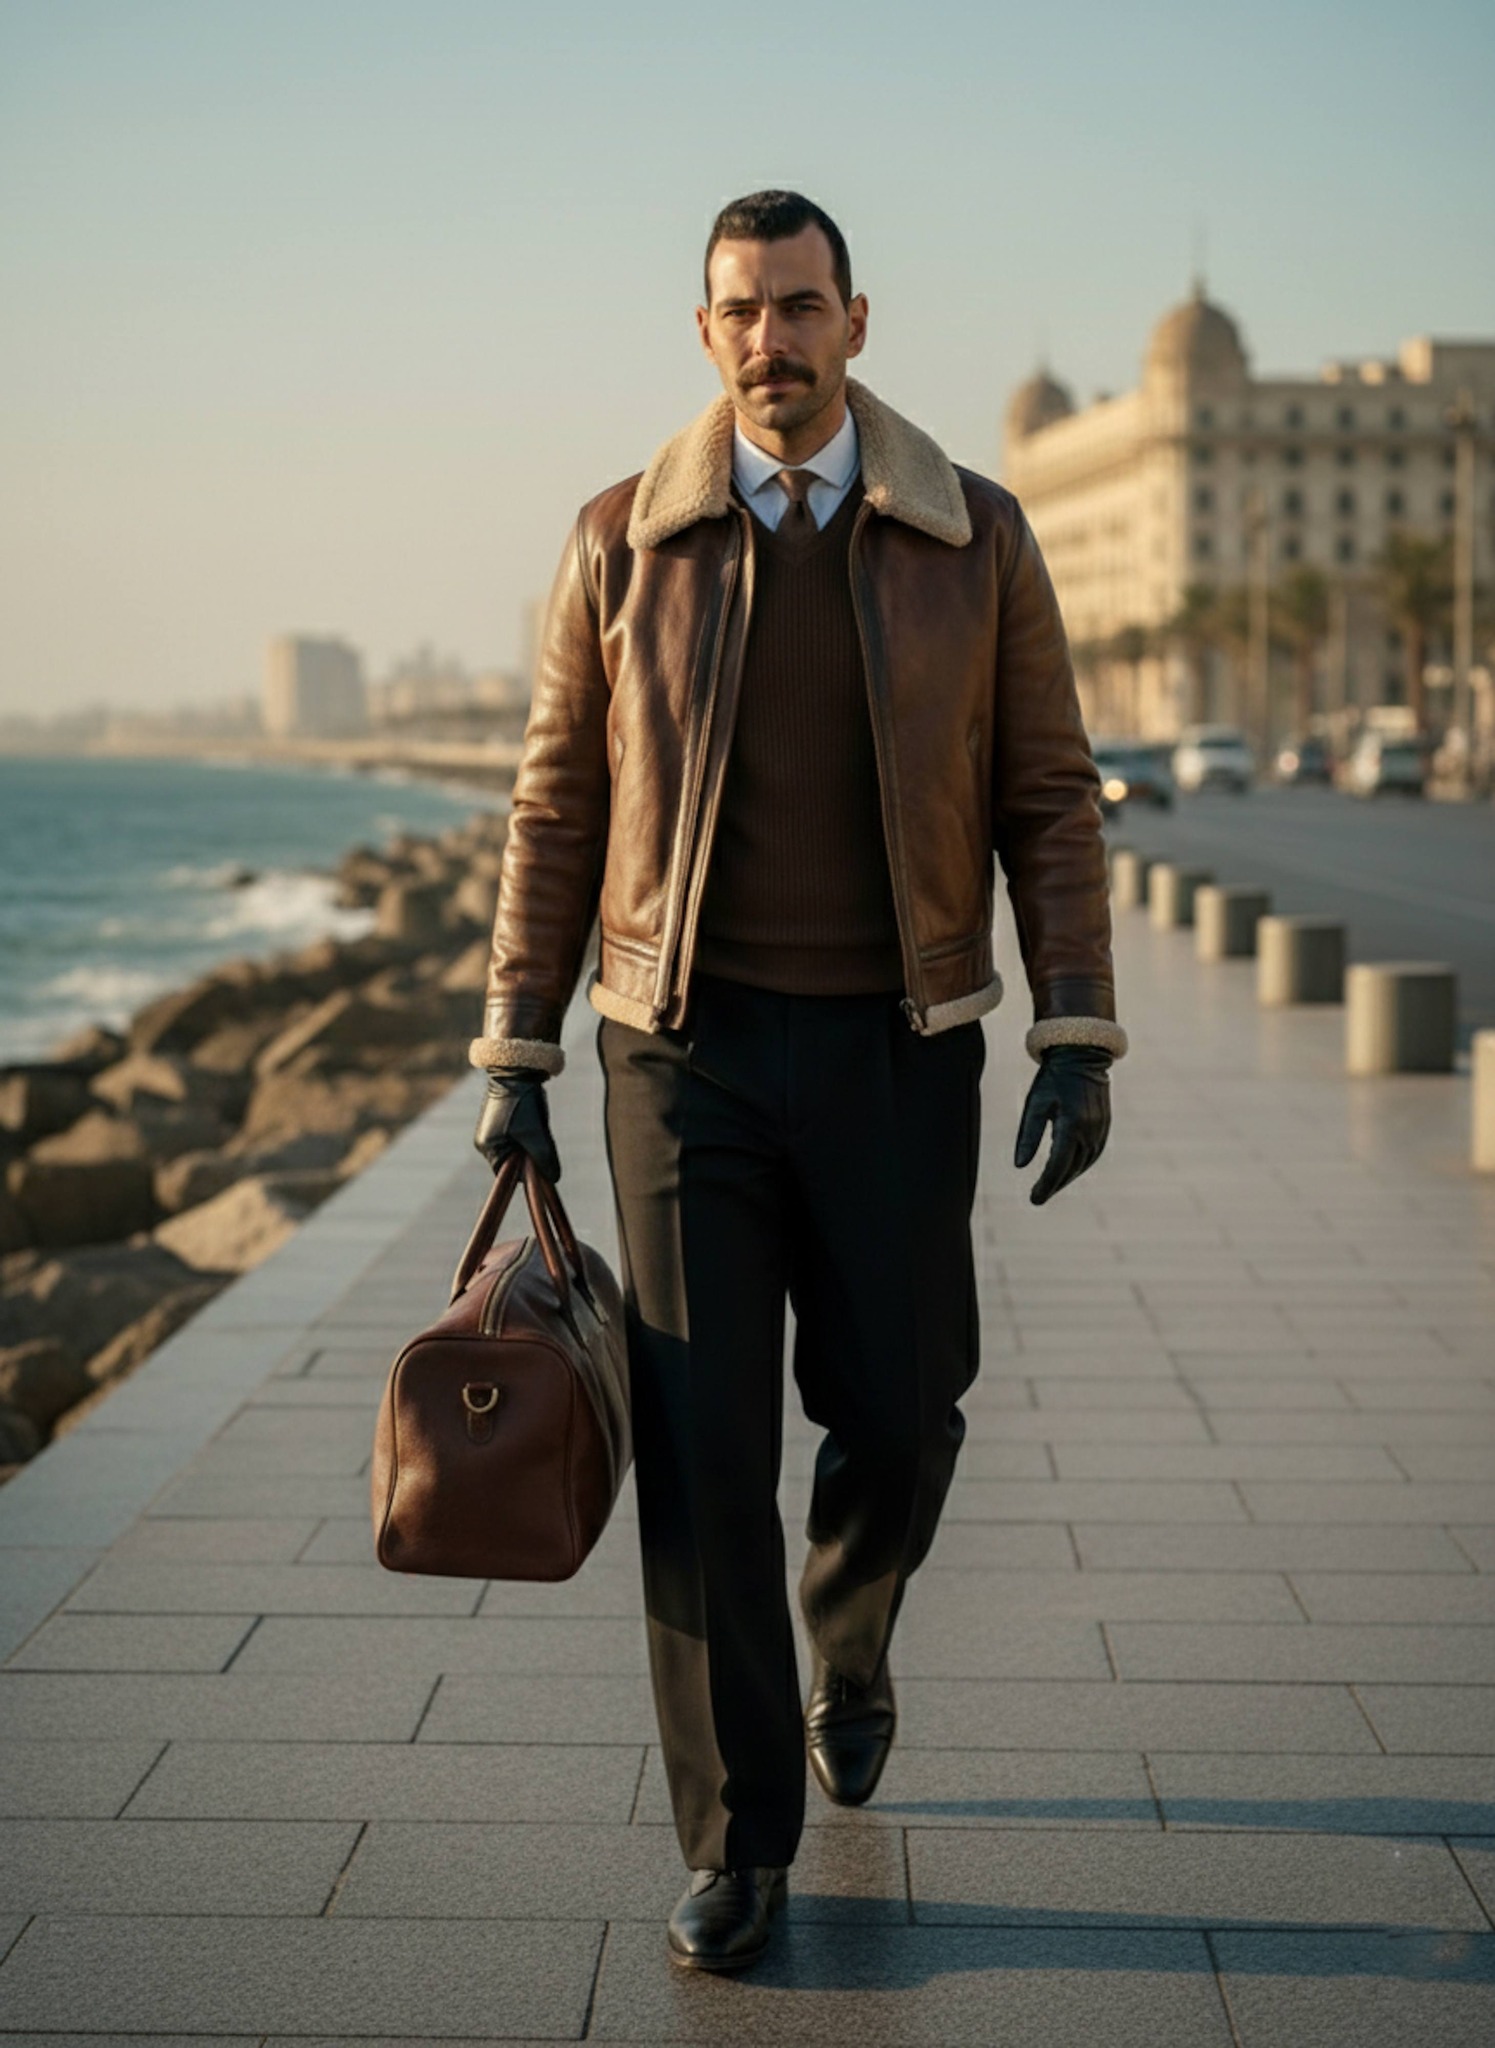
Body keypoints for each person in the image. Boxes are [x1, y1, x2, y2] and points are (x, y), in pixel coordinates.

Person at [471, 189, 1125, 1973]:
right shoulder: (622, 541)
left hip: (901, 1041)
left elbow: (1051, 794)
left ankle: (851, 1633)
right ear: (706, 336)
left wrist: (1075, 1020)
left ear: (857, 320)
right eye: (741, 312)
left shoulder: (971, 537)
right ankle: (739, 1837)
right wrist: (518, 1047)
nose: (773, 339)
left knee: (906, 1408)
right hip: (675, 1055)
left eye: (802, 307)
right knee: (702, 1449)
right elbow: (555, 811)